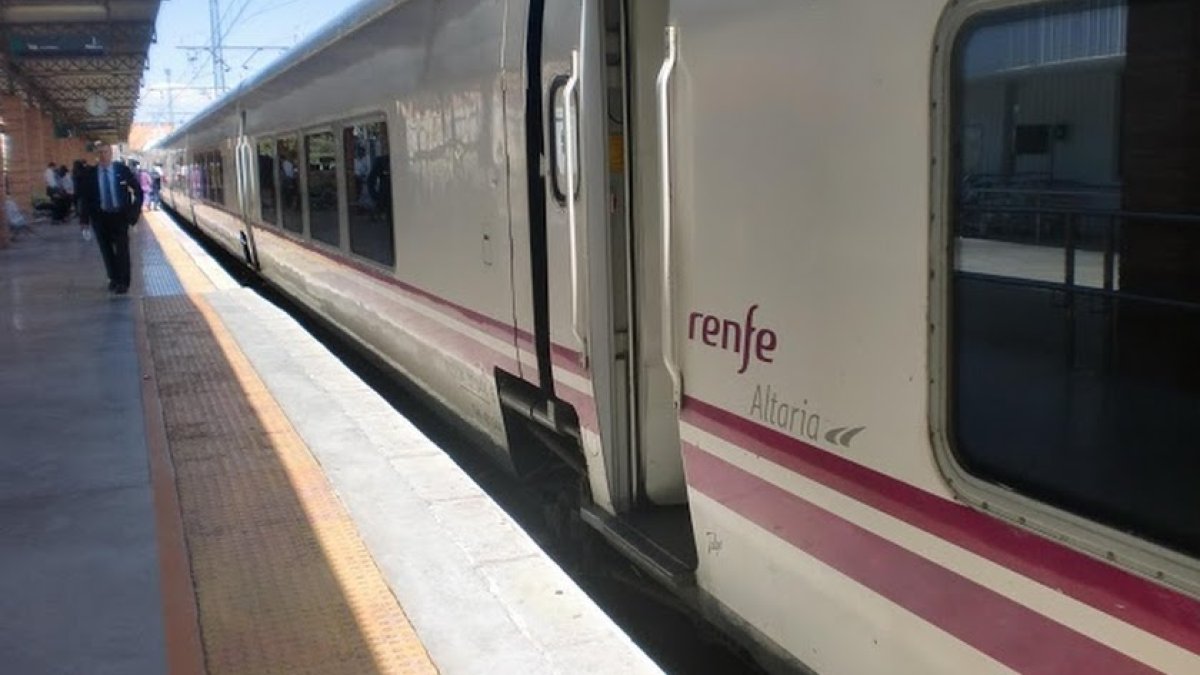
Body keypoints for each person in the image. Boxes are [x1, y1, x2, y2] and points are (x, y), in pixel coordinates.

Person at [77, 145, 143, 294]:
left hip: (120, 216)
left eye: (105, 152)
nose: (103, 155)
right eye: (100, 152)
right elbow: (85, 199)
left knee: (122, 250)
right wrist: (84, 221)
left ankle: (123, 282)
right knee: (106, 251)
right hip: (100, 217)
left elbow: (138, 191)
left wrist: (133, 214)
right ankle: (113, 278)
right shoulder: (90, 174)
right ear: (96, 154)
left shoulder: (122, 171)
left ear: (111, 153)